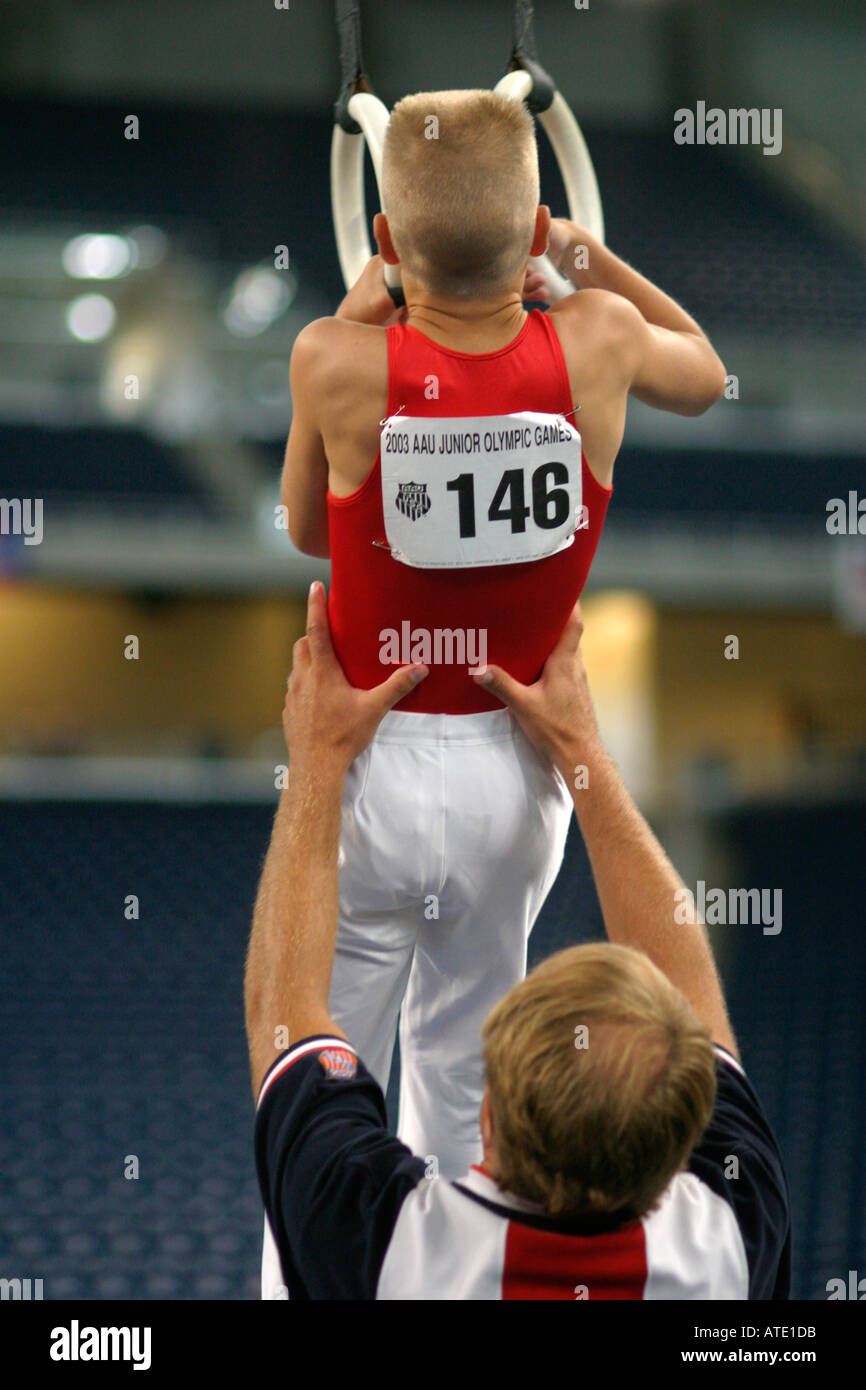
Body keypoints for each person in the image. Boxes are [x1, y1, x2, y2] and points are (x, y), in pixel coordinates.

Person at [264, 88, 727, 1294]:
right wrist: (587, 258)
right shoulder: (601, 345)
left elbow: (309, 528)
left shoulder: (334, 360)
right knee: (471, 1079)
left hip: (364, 751)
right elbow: (710, 374)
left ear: (378, 237)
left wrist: (358, 313)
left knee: (316, 1056)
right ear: (531, 229)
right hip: (518, 772)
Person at [244, 584, 791, 1300]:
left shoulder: (390, 1247)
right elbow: (279, 1015)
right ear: (680, 1139)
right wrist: (581, 751)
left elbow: (282, 1004)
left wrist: (317, 759)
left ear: (490, 1119)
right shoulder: (727, 1249)